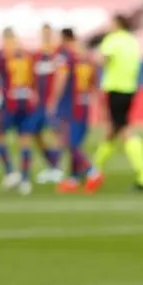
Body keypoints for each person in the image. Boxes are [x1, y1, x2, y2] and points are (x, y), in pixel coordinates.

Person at [92, 14, 143, 191]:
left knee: (123, 128)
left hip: (115, 88)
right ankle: (94, 169)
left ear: (118, 24)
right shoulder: (132, 41)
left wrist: (94, 55)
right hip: (129, 88)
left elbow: (103, 59)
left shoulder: (113, 40)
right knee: (114, 129)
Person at [49, 29, 103, 194]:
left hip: (69, 106)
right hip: (84, 106)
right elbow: (95, 85)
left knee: (69, 143)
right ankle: (73, 178)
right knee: (75, 143)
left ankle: (92, 171)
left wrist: (53, 100)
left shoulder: (67, 58)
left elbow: (61, 79)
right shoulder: (89, 60)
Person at [0, 27, 37, 195]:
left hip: (10, 103)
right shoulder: (27, 55)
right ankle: (24, 180)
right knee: (25, 140)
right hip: (26, 102)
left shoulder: (2, 55)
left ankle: (10, 172)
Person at [29, 24, 64, 183]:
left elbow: (61, 78)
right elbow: (32, 78)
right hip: (39, 103)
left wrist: (55, 100)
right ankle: (52, 163)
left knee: (56, 132)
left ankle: (57, 168)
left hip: (53, 102)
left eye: (49, 34)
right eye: (44, 34)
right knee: (35, 132)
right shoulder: (36, 56)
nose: (46, 37)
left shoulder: (57, 55)